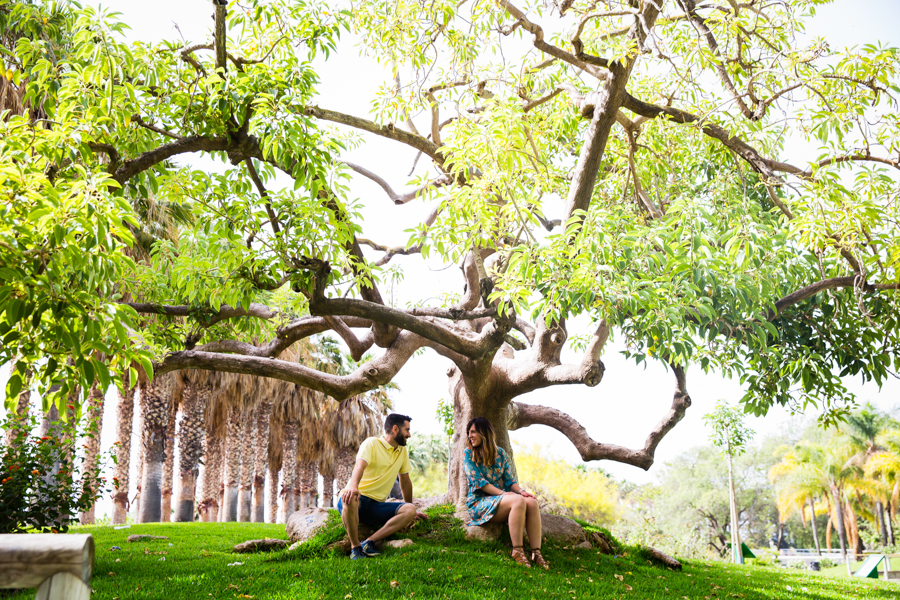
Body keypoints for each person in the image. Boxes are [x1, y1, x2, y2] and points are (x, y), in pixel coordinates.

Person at [338, 413, 427, 560]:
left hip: (375, 506)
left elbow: (405, 481)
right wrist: (353, 487)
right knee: (351, 497)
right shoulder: (371, 443)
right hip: (357, 500)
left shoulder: (402, 451)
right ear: (395, 429)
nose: (409, 434)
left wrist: (411, 507)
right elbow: (359, 466)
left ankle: (369, 541)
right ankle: (355, 548)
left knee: (409, 510)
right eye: (407, 430)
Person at [463, 416, 548, 569]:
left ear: (484, 433)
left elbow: (510, 481)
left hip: (499, 500)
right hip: (479, 502)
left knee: (531, 502)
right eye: (469, 432)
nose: (470, 436)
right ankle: (517, 550)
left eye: (473, 432)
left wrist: (522, 491)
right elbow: (478, 482)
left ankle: (536, 552)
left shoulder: (500, 453)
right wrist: (503, 494)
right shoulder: (469, 453)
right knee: (517, 500)